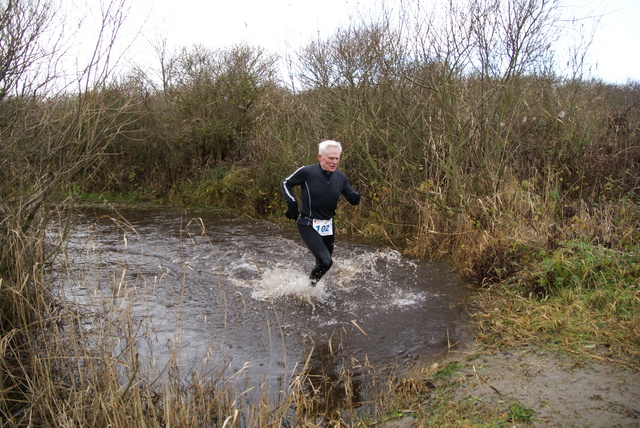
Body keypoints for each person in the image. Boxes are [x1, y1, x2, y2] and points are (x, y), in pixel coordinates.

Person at [281, 140, 361, 286]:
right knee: (326, 261)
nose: (334, 162)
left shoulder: (340, 177)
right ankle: (310, 288)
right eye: (331, 158)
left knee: (324, 264)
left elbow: (351, 195)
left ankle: (308, 287)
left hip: (328, 225)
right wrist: (292, 204)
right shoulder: (307, 172)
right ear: (320, 157)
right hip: (308, 223)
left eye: (337, 159)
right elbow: (286, 183)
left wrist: (355, 197)